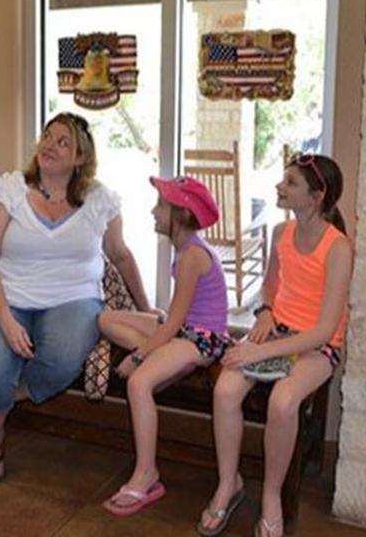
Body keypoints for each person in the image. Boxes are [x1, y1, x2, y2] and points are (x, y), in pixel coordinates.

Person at [0, 111, 154, 481]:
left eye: (62, 141)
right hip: (6, 298)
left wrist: (147, 310)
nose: (49, 145)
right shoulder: (9, 191)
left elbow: (120, 254)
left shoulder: (101, 201)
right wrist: (5, 320)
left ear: (81, 158)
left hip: (74, 300)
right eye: (47, 137)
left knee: (63, 361)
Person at [197, 154, 352, 537]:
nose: (280, 187)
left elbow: (324, 330)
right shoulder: (281, 233)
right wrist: (265, 311)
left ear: (317, 197)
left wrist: (259, 350)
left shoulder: (338, 248)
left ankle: (270, 496)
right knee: (225, 389)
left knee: (283, 401)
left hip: (316, 345)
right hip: (276, 330)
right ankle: (228, 483)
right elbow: (270, 285)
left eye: (291, 183)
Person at [98, 176, 232, 516]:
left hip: (201, 339)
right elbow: (174, 316)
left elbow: (174, 324)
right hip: (183, 328)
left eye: (161, 205)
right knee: (107, 319)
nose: (154, 212)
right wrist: (157, 330)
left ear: (182, 214)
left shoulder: (192, 257)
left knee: (139, 382)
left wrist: (139, 357)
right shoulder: (186, 250)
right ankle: (162, 355)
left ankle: (147, 474)